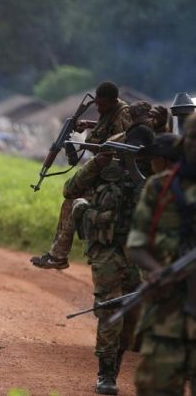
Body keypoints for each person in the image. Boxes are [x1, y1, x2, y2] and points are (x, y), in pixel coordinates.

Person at [67, 125, 154, 394]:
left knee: (132, 317)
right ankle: (106, 375)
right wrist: (95, 164)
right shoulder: (105, 168)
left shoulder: (158, 175)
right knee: (110, 310)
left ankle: (114, 365)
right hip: (106, 250)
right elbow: (70, 189)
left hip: (138, 255)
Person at [126, 113, 196, 395]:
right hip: (167, 315)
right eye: (193, 139)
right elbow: (137, 245)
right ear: (183, 141)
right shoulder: (160, 187)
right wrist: (157, 272)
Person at [31, 81, 132, 270]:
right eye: (97, 103)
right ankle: (57, 254)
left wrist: (87, 146)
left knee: (74, 199)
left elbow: (121, 141)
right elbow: (107, 128)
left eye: (101, 104)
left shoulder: (123, 113)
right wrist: (89, 124)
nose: (98, 107)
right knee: (69, 201)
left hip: (112, 174)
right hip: (100, 170)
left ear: (112, 101)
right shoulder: (109, 112)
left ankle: (58, 255)